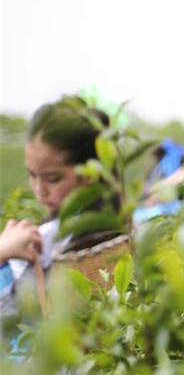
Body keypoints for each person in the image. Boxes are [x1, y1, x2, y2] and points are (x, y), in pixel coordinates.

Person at [0, 96, 109, 318]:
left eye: (53, 178)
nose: (40, 189)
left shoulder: (97, 251)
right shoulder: (52, 232)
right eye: (32, 175)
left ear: (90, 172)